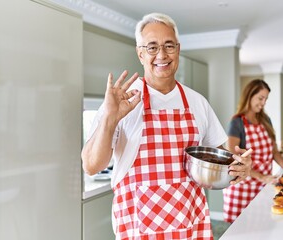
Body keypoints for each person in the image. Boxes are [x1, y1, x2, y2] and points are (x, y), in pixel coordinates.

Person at [81, 12, 252, 239]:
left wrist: (240, 166)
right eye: (152, 47)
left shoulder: (197, 102)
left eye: (169, 46)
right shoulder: (121, 102)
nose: (161, 54)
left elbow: (223, 159)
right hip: (138, 229)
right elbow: (91, 166)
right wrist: (110, 118)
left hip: (192, 227)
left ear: (178, 50)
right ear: (140, 54)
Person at [222, 79, 283, 223]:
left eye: (266, 99)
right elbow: (233, 158)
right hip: (241, 188)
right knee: (240, 232)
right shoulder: (237, 122)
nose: (263, 103)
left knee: (261, 227)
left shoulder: (265, 120)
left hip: (262, 186)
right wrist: (261, 176)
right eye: (260, 98)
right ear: (249, 96)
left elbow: (274, 152)